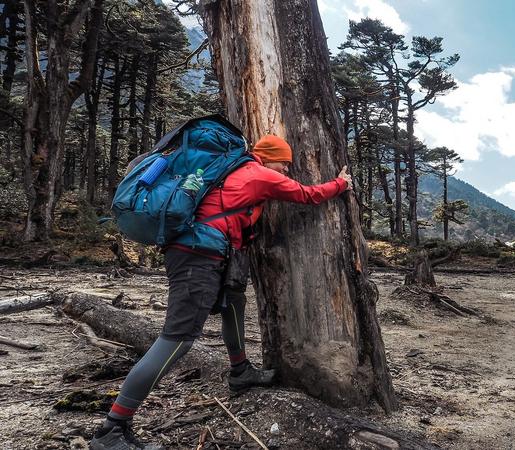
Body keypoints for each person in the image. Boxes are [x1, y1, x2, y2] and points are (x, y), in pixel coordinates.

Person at [90, 135, 352, 450]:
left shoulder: (236, 171)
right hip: (197, 255)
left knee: (233, 303)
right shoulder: (258, 173)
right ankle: (112, 429)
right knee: (178, 339)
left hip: (212, 253)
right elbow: (306, 194)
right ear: (269, 158)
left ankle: (240, 371)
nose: (286, 169)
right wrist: (340, 183)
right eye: (284, 162)